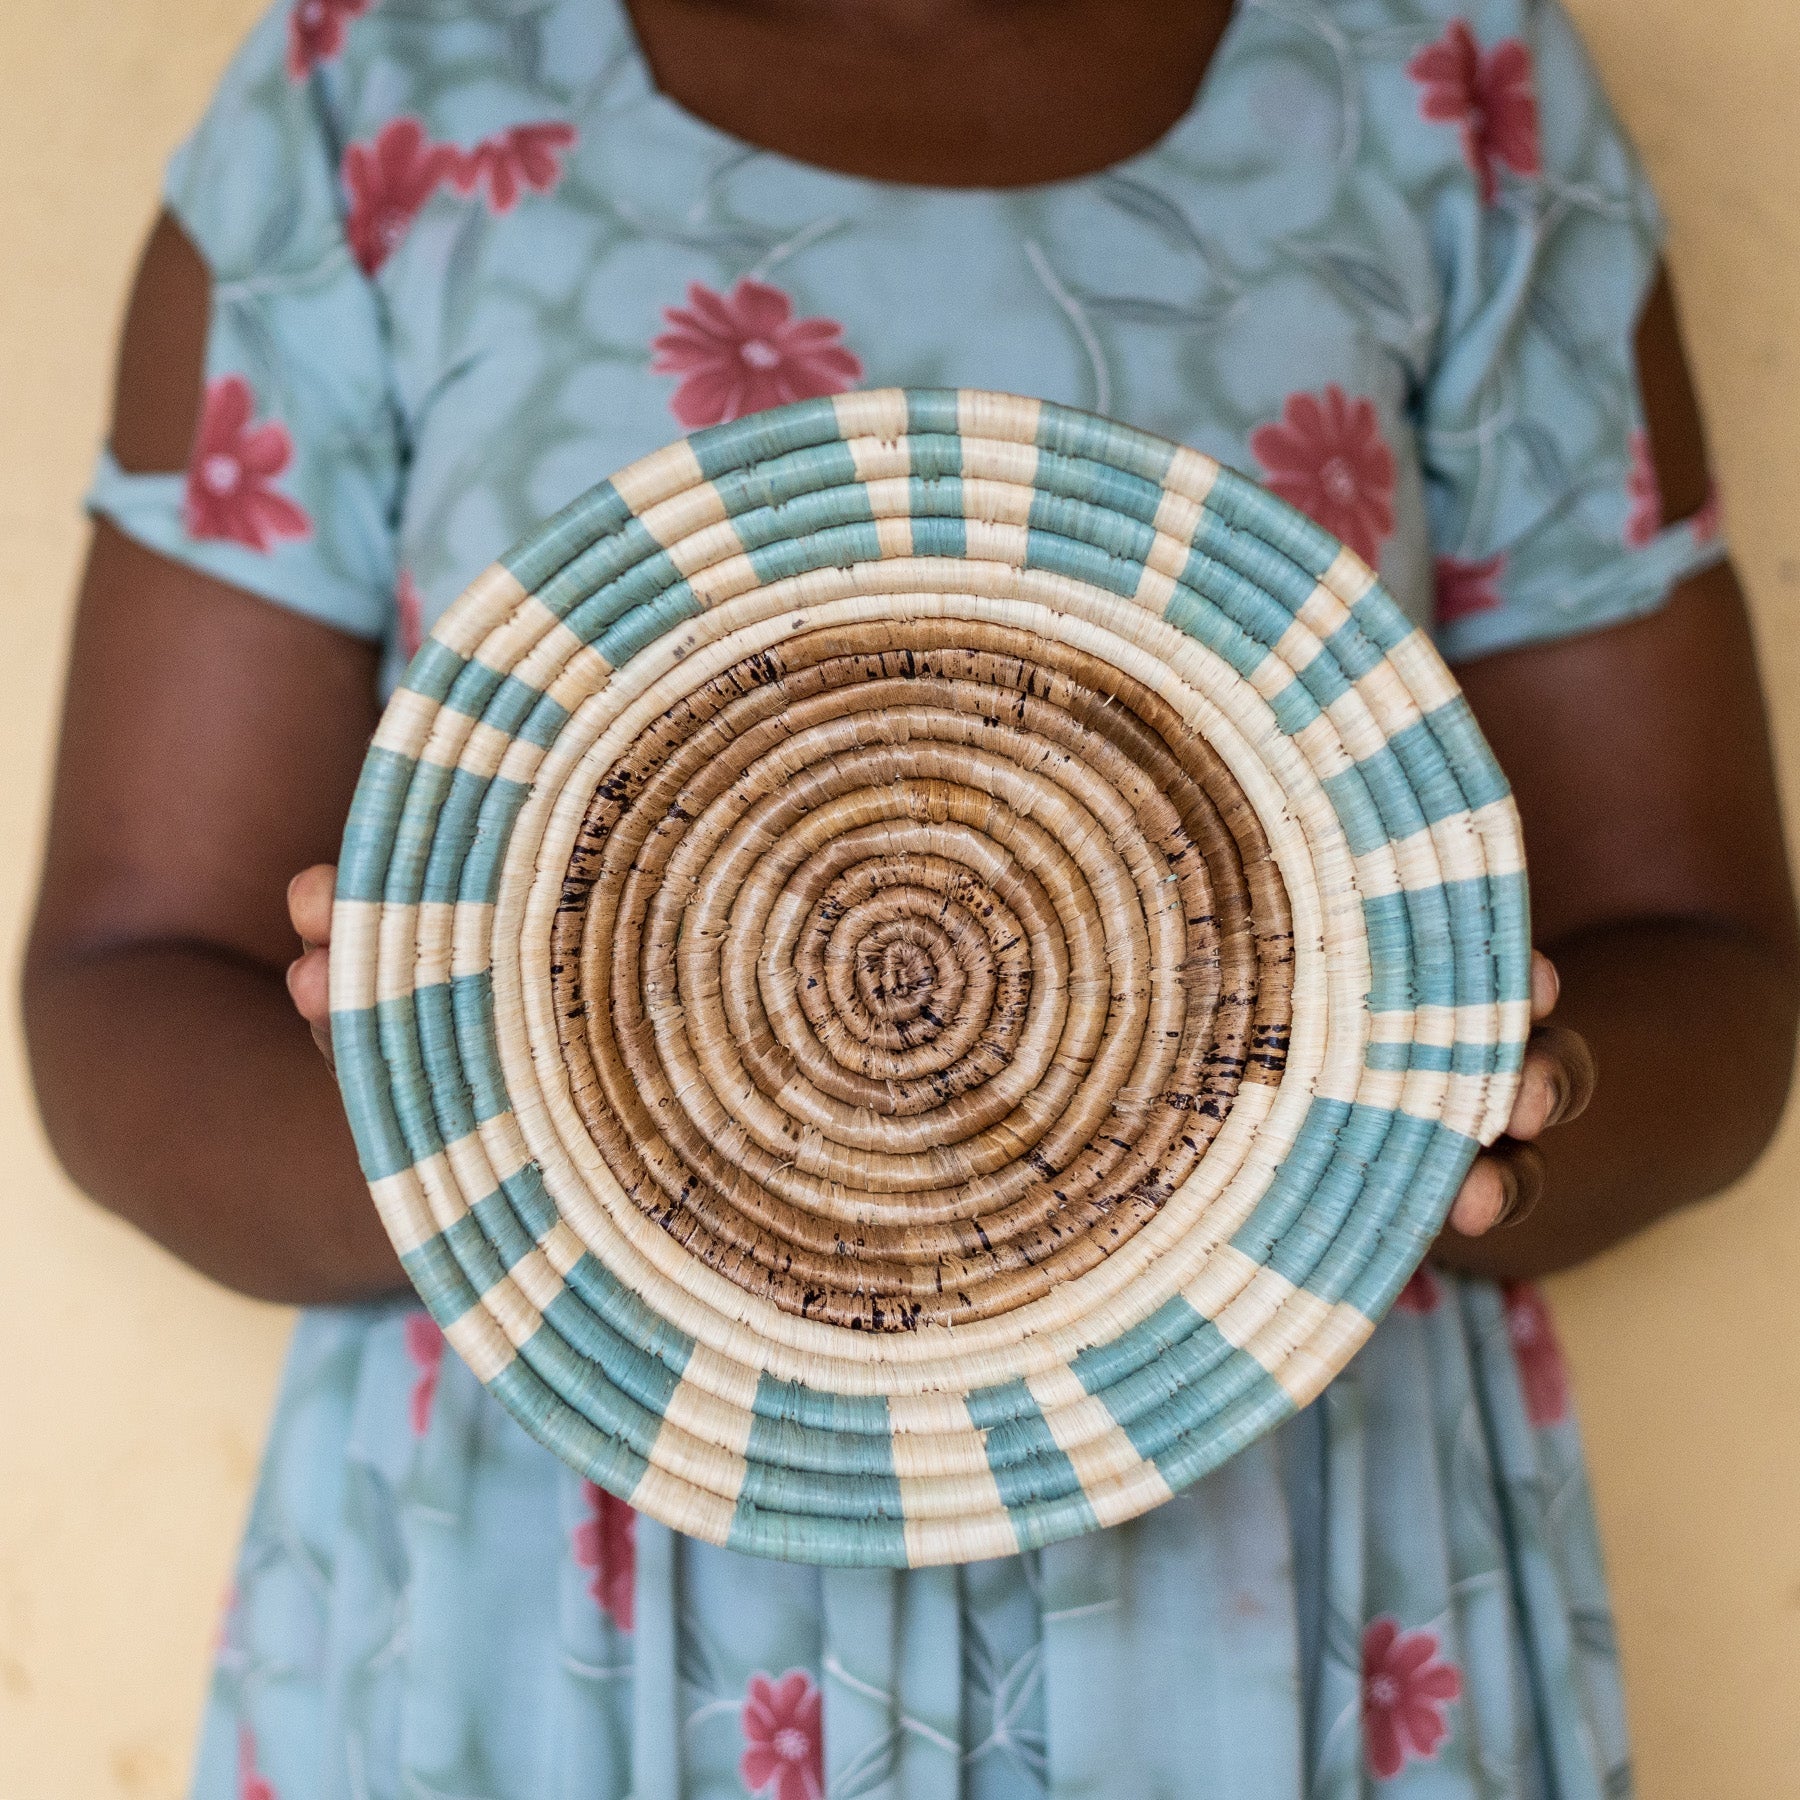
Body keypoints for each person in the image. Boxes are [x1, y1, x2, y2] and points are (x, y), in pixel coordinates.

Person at [24, 0, 1797, 1793]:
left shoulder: (1445, 76)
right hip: (559, 1635)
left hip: (1287, 1615)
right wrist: (526, 1154)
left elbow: (1705, 967)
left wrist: (1396, 1145)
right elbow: (131, 980)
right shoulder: (387, 81)